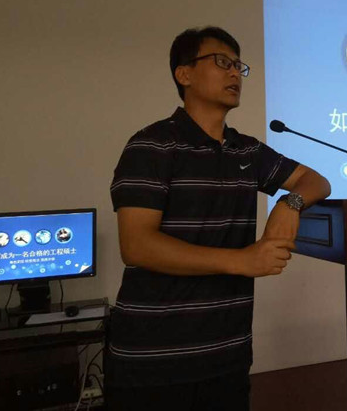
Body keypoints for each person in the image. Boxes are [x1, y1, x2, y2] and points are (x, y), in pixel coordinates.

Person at [107, 26, 331, 411]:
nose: (234, 73)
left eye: (238, 66)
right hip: (153, 362)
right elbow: (137, 245)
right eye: (222, 62)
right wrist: (241, 260)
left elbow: (316, 181)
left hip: (227, 357)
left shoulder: (247, 151)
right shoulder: (152, 145)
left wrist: (288, 204)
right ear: (184, 74)